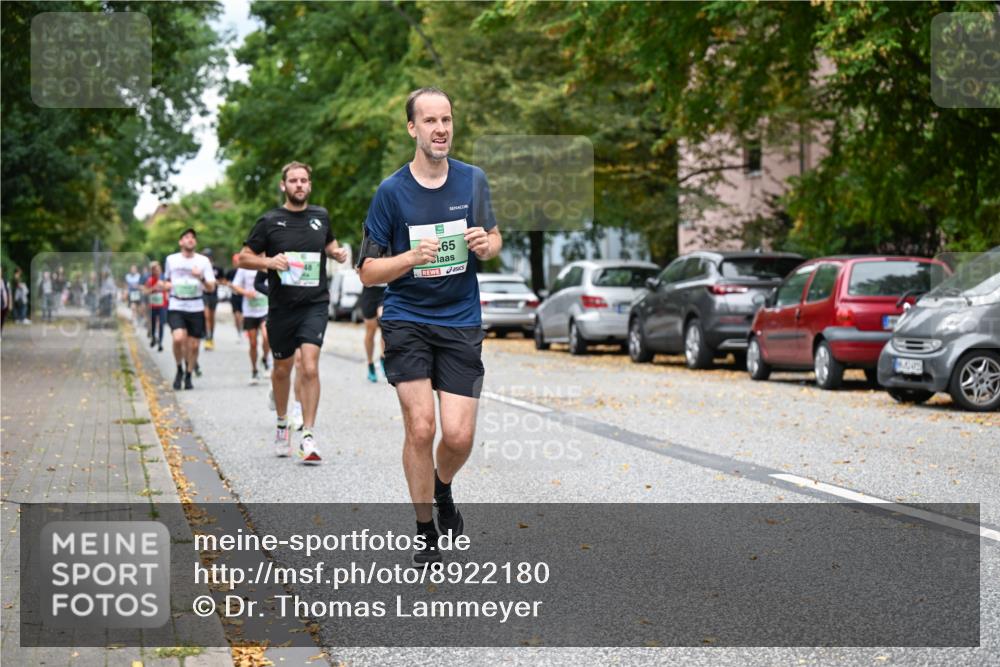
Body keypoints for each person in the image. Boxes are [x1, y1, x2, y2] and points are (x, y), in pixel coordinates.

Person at [357, 87, 502, 565]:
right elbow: (368, 271)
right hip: (407, 319)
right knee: (421, 428)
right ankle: (425, 530)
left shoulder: (473, 180)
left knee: (457, 437)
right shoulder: (391, 192)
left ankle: (442, 489)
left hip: (460, 320)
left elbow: (496, 237)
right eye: (431, 121)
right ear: (412, 128)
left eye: (447, 120)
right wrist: (408, 258)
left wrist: (486, 243)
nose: (441, 129)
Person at [239, 161, 347, 464]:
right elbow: (243, 258)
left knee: (309, 367)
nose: (299, 185)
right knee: (283, 369)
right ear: (283, 186)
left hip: (315, 304)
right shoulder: (269, 221)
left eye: (304, 181)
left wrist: (337, 253)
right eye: (293, 181)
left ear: (310, 185)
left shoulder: (321, 216)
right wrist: (269, 263)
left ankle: (309, 436)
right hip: (281, 307)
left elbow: (330, 244)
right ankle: (282, 422)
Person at [163, 228, 216, 390]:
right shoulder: (171, 260)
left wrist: (200, 277)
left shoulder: (203, 262)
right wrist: (167, 286)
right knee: (178, 338)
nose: (190, 239)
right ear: (181, 242)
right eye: (186, 237)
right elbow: (166, 281)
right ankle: (179, 368)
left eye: (193, 237)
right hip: (177, 304)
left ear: (196, 242)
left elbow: (211, 288)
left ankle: (188, 373)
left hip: (196, 306)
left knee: (193, 345)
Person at [230, 266, 271, 384]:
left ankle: (265, 359)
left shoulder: (267, 263)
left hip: (265, 309)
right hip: (249, 311)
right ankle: (254, 371)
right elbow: (235, 285)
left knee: (266, 336)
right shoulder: (245, 267)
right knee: (253, 343)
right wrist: (246, 292)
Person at [358, 282, 387, 382]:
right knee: (371, 331)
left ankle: (383, 357)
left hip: (385, 289)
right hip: (369, 290)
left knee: (384, 322)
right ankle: (370, 364)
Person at [145, 261, 167, 352]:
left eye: (158, 269)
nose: (157, 271)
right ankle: (154, 337)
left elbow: (169, 288)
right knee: (153, 323)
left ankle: (160, 342)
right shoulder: (150, 280)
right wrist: (154, 288)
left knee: (161, 324)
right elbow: (146, 292)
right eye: (155, 270)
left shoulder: (165, 278)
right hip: (153, 305)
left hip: (163, 305)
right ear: (152, 271)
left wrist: (164, 287)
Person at [201, 249, 221, 350]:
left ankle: (211, 336)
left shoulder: (217, 268)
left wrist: (216, 282)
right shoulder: (200, 267)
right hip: (203, 294)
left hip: (213, 294)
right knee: (206, 315)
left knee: (212, 317)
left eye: (207, 256)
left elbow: (223, 280)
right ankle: (207, 336)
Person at [226, 253, 245, 337]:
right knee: (237, 316)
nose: (237, 263)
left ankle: (244, 329)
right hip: (235, 296)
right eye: (235, 261)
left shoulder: (245, 271)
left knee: (243, 316)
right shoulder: (231, 272)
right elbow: (225, 281)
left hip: (244, 296)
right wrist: (229, 284)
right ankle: (239, 332)